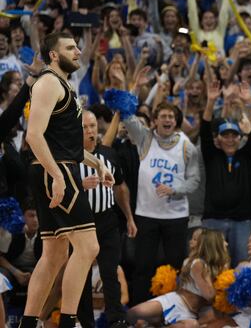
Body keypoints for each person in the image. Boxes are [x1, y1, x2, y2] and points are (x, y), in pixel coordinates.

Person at [21, 32, 115, 328]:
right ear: (53, 54)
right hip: (56, 170)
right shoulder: (48, 82)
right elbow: (33, 136)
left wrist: (96, 162)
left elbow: (64, 143)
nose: (77, 51)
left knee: (54, 253)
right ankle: (69, 321)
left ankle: (27, 322)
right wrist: (58, 175)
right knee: (88, 247)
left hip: (57, 167)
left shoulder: (61, 84)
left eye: (77, 46)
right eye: (70, 47)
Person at [123, 102, 200, 305]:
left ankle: (174, 309)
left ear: (176, 122)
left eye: (171, 117)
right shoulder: (145, 138)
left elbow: (194, 181)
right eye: (163, 116)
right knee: (143, 267)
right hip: (146, 214)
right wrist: (135, 86)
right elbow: (127, 117)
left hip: (176, 217)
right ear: (155, 120)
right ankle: (140, 313)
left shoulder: (186, 144)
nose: (167, 120)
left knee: (175, 267)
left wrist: (175, 190)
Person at [76, 110, 136, 328]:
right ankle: (84, 321)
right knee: (80, 274)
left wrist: (129, 217)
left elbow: (120, 188)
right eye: (84, 127)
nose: (90, 131)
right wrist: (81, 186)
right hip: (80, 223)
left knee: (110, 271)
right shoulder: (69, 157)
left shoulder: (109, 155)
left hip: (107, 220)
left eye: (92, 126)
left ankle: (116, 319)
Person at [200, 81, 251, 265]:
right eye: (225, 135)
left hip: (242, 221)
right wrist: (211, 102)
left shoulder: (245, 156)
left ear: (239, 138)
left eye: (233, 136)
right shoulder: (211, 155)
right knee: (211, 265)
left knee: (243, 265)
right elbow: (204, 129)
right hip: (213, 220)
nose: (229, 139)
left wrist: (249, 104)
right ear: (218, 139)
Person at [127, 229, 230, 327]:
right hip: (177, 301)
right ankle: (153, 322)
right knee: (135, 313)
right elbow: (210, 296)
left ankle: (155, 324)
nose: (226, 244)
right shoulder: (198, 263)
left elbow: (216, 300)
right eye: (223, 241)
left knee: (193, 325)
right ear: (215, 245)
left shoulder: (220, 266)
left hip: (192, 312)